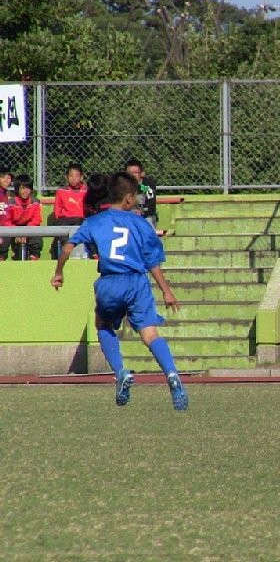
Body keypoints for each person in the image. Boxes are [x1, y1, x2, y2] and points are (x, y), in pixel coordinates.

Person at [50, 171, 188, 411]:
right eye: (135, 197)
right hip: (137, 282)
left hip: (110, 282)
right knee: (150, 334)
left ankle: (121, 371)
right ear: (128, 199)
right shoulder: (140, 223)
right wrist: (167, 291)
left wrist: (59, 272)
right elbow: (152, 262)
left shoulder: (95, 221)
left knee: (103, 324)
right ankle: (172, 374)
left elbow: (68, 248)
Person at [50, 162, 87, 259]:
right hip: (65, 220)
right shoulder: (61, 191)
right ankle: (67, 249)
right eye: (71, 176)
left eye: (76, 176)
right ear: (66, 177)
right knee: (60, 226)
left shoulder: (86, 191)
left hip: (80, 219)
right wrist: (58, 218)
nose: (73, 178)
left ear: (81, 177)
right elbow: (57, 209)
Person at [7, 173, 43, 260]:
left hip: (29, 227)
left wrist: (25, 233)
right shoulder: (10, 203)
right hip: (14, 228)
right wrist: (16, 234)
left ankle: (34, 257)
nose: (26, 191)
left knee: (37, 234)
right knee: (4, 236)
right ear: (17, 189)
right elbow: (8, 221)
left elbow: (36, 220)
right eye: (23, 188)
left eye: (28, 188)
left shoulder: (35, 202)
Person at [124, 158, 157, 228]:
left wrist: (142, 212)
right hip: (128, 215)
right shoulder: (122, 185)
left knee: (148, 220)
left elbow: (151, 206)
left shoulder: (147, 186)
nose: (133, 175)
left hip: (145, 215)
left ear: (142, 173)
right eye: (130, 173)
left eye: (136, 172)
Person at [0, 166, 12, 261]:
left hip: (4, 230)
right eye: (3, 177)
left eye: (9, 178)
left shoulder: (6, 193)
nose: (6, 180)